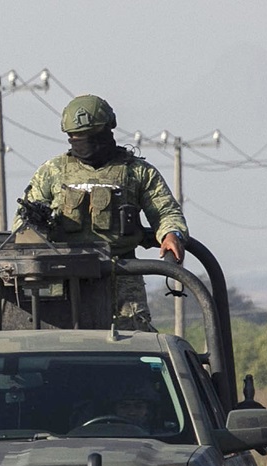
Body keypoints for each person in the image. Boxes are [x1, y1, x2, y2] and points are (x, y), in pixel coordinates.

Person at [15, 94, 189, 331]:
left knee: (132, 341)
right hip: (63, 277)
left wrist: (171, 235)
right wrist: (35, 228)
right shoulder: (52, 171)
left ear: (107, 130)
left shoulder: (136, 172)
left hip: (121, 274)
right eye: (75, 136)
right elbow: (22, 222)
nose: (81, 141)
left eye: (90, 135)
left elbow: (165, 211)